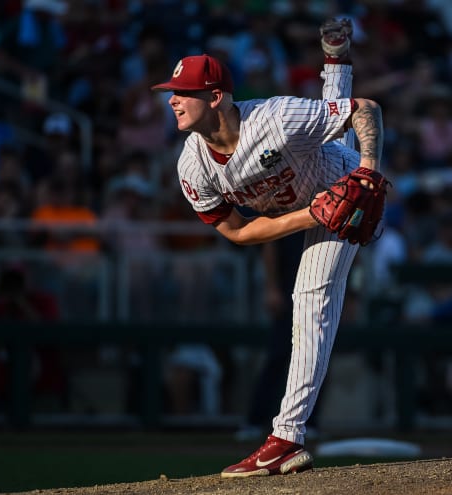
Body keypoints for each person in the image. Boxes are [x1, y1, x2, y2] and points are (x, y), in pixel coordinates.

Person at [151, 18, 384, 477]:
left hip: (347, 186)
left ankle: (286, 437)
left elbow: (365, 110)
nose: (173, 99)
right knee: (329, 124)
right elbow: (237, 233)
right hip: (314, 204)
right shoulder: (192, 167)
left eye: (184, 92)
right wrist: (311, 215)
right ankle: (335, 58)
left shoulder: (275, 118)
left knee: (309, 301)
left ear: (215, 97)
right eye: (172, 92)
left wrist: (369, 173)